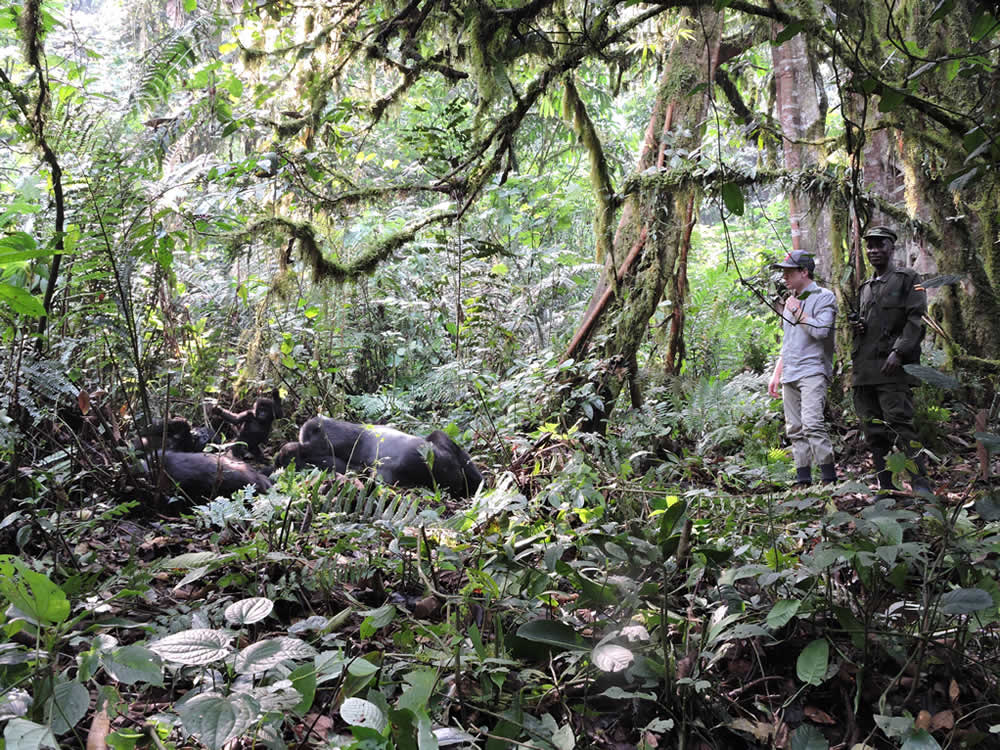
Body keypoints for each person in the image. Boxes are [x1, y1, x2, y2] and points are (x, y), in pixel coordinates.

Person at [850, 225, 930, 493]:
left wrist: (899, 352)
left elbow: (916, 319)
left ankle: (921, 485)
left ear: (891, 247)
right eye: (870, 245)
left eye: (879, 244)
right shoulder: (865, 287)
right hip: (866, 370)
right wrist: (859, 328)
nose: (873, 250)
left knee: (901, 426)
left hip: (893, 369)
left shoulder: (907, 278)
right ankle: (886, 487)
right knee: (873, 432)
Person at [768, 250, 838, 485]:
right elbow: (789, 341)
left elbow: (821, 331)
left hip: (813, 370)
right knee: (795, 429)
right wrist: (777, 373)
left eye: (788, 272)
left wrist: (798, 310)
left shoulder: (824, 297)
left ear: (804, 272)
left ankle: (829, 480)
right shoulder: (790, 300)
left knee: (812, 425)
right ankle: (803, 481)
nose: (784, 278)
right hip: (791, 372)